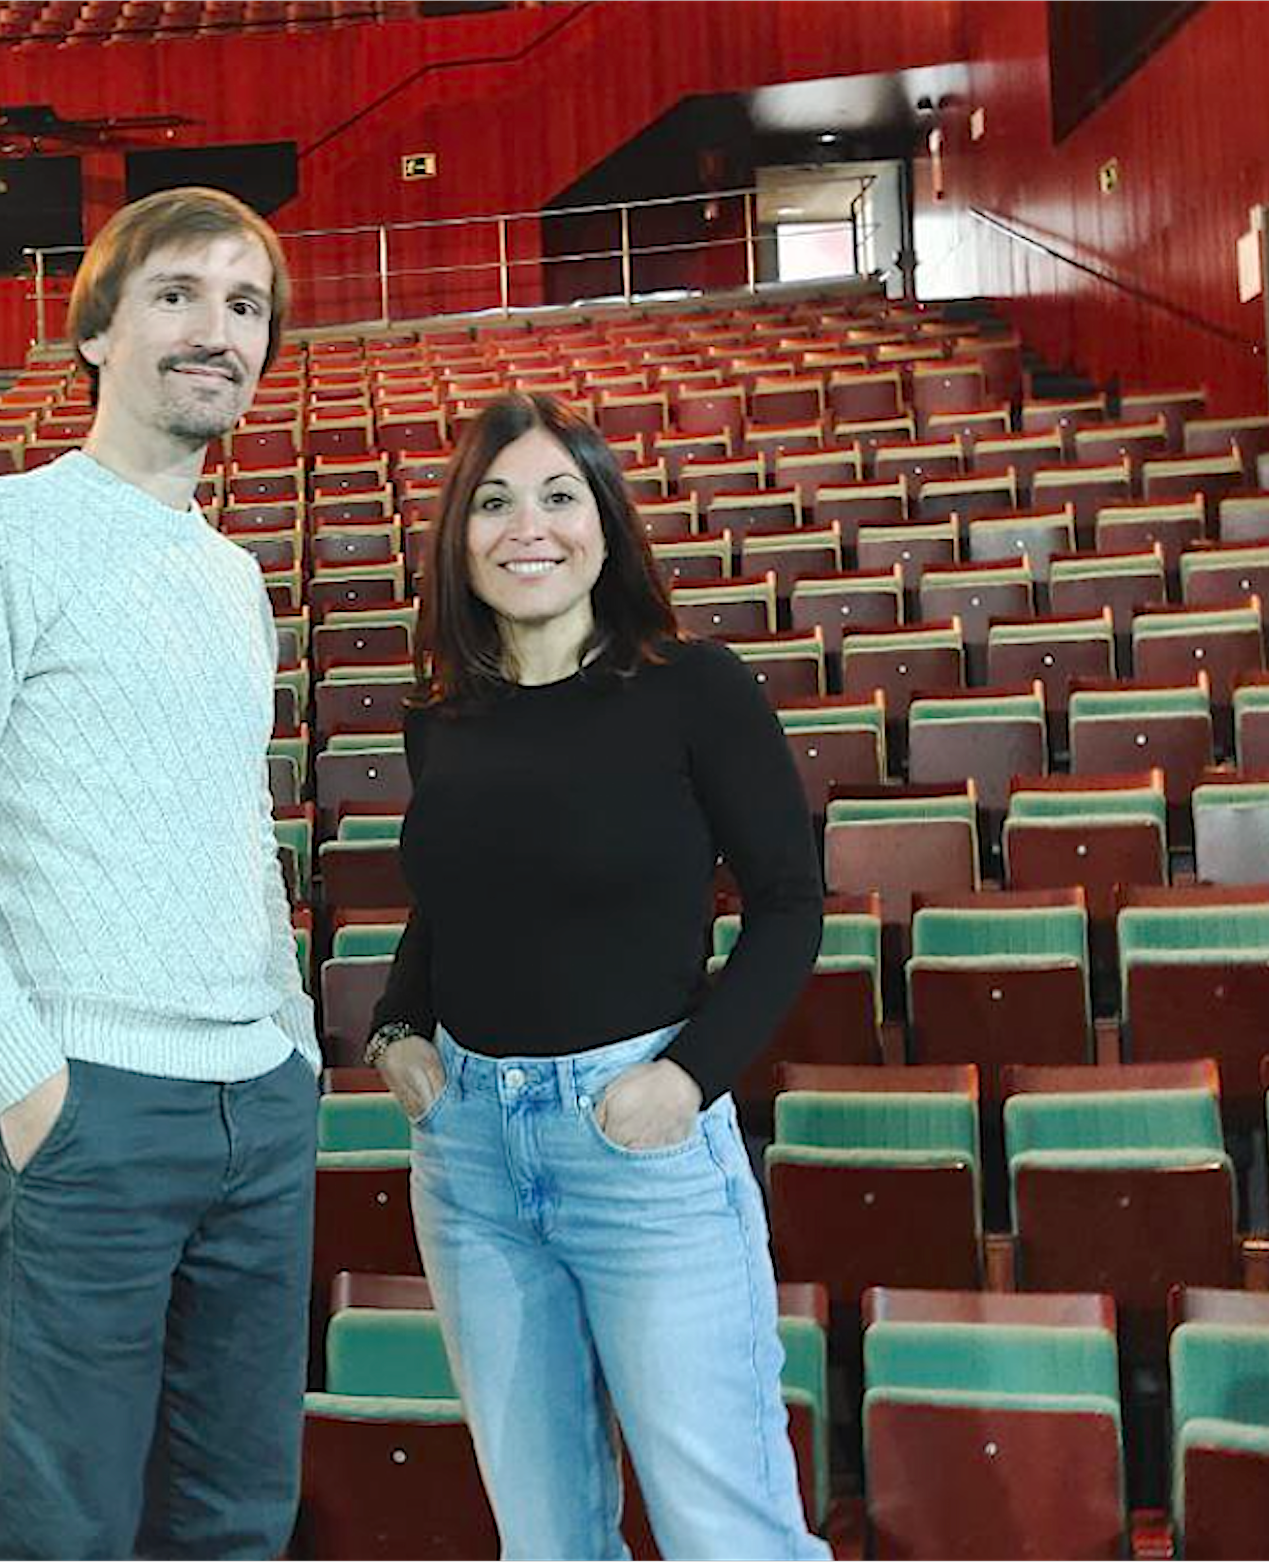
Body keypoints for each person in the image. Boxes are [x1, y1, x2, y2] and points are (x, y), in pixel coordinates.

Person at [0, 186, 321, 1560]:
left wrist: (289, 1039)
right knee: (68, 1531)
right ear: (95, 331)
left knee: (236, 1521)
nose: (216, 329)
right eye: (177, 294)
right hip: (81, 1104)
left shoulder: (232, 576)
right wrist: (25, 1077)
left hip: (255, 1106)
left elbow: (237, 828)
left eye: (245, 304)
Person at [363, 390, 830, 1561]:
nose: (528, 527)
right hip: (469, 1156)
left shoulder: (694, 687)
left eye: (558, 496)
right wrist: (395, 1025)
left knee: (725, 1533)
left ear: (606, 522)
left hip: (639, 1143)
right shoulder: (442, 715)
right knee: (546, 1539)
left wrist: (688, 1077)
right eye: (493, 501)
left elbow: (787, 904)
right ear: (458, 539)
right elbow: (455, 900)